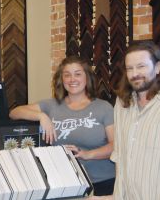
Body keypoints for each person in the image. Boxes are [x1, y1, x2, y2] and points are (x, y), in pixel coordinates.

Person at [9, 55, 115, 196]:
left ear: (87, 77)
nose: (72, 79)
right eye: (67, 75)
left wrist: (87, 154)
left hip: (102, 184)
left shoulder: (103, 107)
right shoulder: (51, 105)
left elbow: (116, 146)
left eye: (77, 74)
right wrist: (41, 116)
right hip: (64, 184)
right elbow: (14, 113)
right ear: (61, 79)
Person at [107, 41, 160, 199]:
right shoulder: (122, 104)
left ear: (158, 67)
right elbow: (120, 156)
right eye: (129, 68)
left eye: (141, 66)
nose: (134, 74)